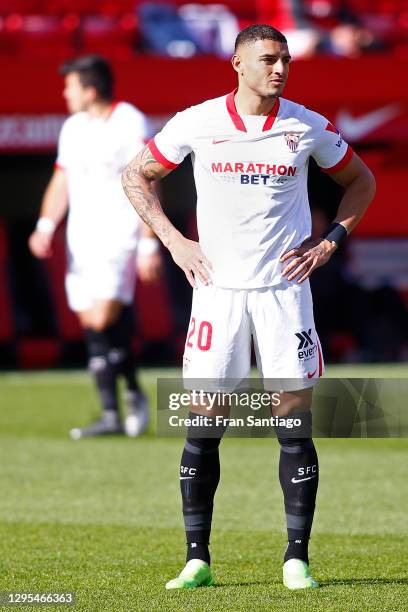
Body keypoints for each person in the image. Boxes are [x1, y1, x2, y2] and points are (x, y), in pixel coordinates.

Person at [121, 24, 376, 589]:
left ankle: (296, 558)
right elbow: (136, 175)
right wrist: (174, 241)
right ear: (237, 64)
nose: (279, 69)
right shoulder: (197, 122)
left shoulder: (306, 126)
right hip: (218, 294)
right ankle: (197, 560)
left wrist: (330, 239)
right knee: (203, 424)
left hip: (285, 294)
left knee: (293, 423)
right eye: (267, 59)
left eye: (285, 59)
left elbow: (361, 180)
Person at [29, 55, 162, 439]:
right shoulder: (72, 128)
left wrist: (148, 243)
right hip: (81, 240)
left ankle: (125, 403)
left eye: (69, 86)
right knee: (93, 324)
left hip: (118, 235)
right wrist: (45, 224)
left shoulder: (128, 122)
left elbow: (147, 180)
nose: (64, 93)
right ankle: (118, 405)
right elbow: (62, 181)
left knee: (102, 317)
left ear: (89, 89)